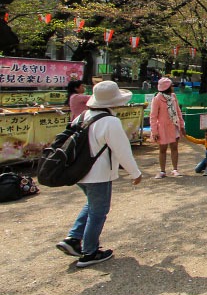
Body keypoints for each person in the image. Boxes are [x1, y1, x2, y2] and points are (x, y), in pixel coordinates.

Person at [55, 81, 142, 268]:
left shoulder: (83, 116)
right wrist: (135, 172)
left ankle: (73, 238)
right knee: (98, 212)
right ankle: (89, 252)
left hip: (78, 172)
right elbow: (122, 150)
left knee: (92, 205)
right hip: (98, 174)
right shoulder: (110, 122)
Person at [150, 77, 185, 178]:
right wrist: (154, 131)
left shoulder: (173, 97)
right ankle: (162, 171)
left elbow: (178, 112)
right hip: (162, 127)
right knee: (162, 149)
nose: (173, 87)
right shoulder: (157, 98)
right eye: (171, 85)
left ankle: (175, 169)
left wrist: (182, 125)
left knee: (174, 147)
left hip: (174, 126)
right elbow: (153, 116)